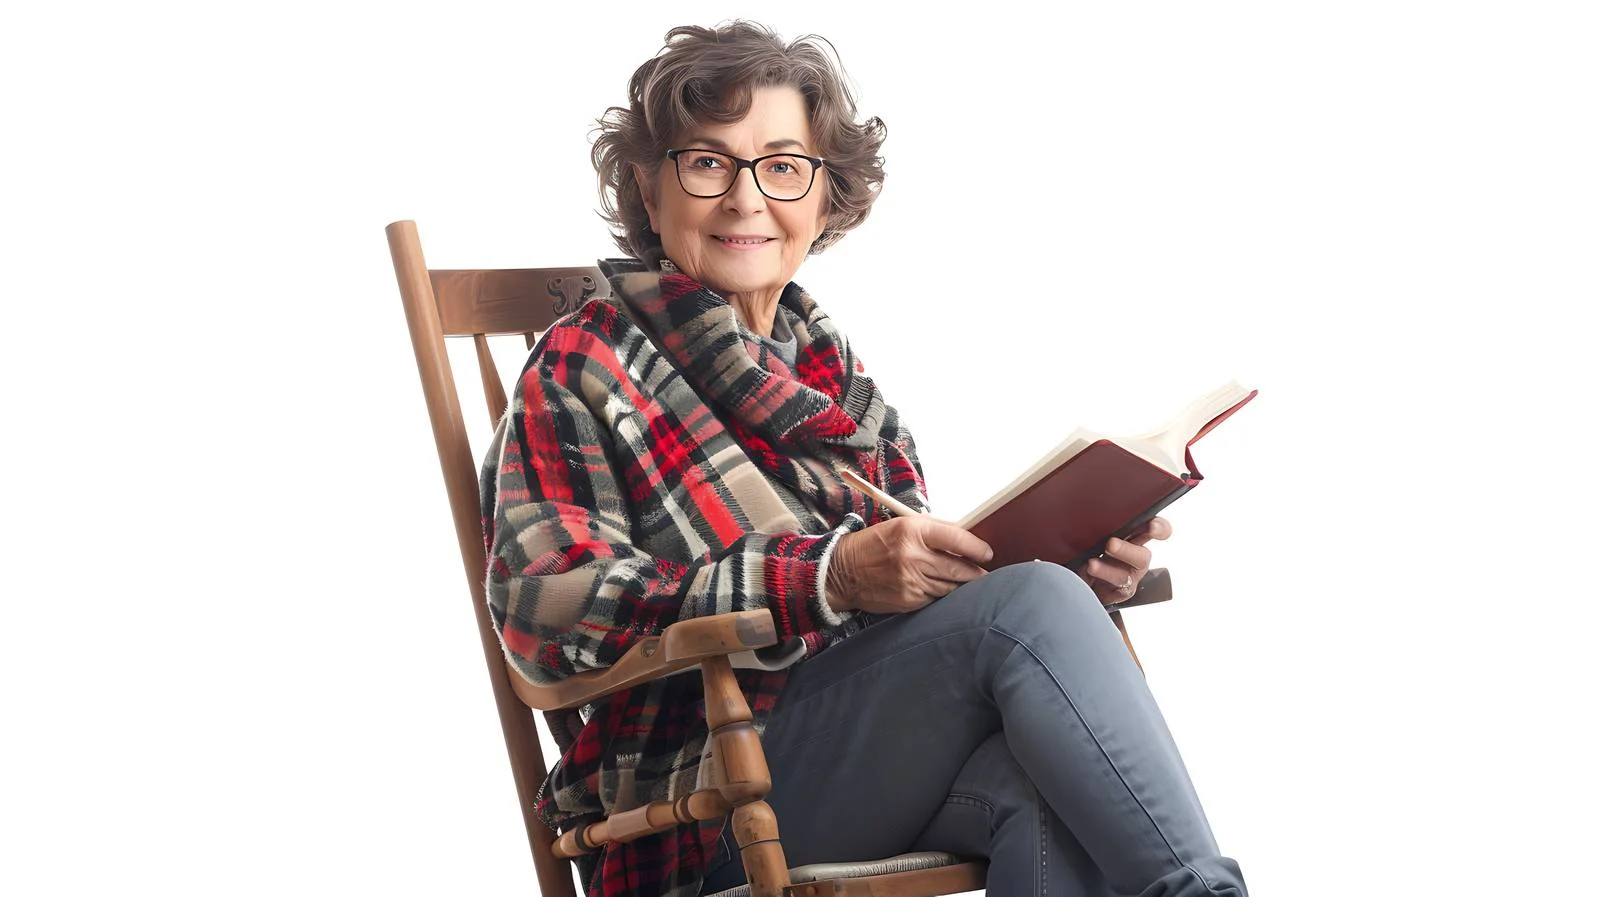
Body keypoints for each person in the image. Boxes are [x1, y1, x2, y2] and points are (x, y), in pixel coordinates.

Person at [478, 20, 1248, 897]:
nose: (745, 198)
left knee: (1052, 787)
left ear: (823, 198)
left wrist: (1071, 567)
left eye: (782, 166)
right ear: (651, 194)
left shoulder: (830, 373)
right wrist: (828, 576)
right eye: (707, 163)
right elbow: (544, 608)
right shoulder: (584, 362)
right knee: (1026, 613)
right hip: (701, 796)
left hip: (854, 755)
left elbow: (915, 618)